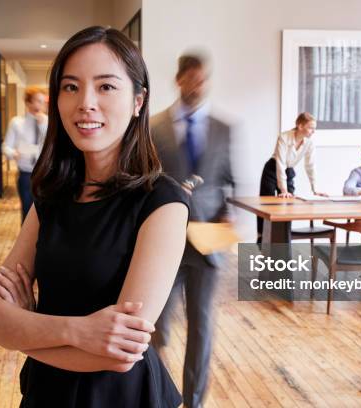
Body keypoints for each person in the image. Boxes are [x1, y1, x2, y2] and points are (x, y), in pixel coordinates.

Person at [0, 26, 190, 408]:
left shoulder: (162, 202)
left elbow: (119, 355)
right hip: (46, 393)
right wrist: (79, 331)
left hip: (121, 397)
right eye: (71, 87)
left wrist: (23, 330)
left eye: (106, 87)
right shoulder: (51, 195)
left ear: (138, 100)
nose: (85, 103)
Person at [150, 52, 234, 408]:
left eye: (203, 80)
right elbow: (145, 181)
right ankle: (157, 394)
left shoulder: (223, 128)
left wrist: (228, 218)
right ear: (179, 79)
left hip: (208, 244)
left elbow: (228, 181)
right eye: (192, 79)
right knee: (156, 327)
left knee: (201, 327)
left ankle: (194, 402)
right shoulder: (154, 127)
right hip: (164, 243)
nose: (198, 86)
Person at [257, 112, 325, 243]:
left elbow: (310, 165)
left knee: (288, 206)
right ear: (300, 126)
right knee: (266, 207)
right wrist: (283, 189)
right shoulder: (284, 137)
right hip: (272, 169)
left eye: (314, 128)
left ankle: (284, 240)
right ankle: (262, 239)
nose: (313, 132)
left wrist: (315, 188)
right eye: (311, 128)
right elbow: (280, 163)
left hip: (289, 171)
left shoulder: (309, 143)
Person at [3, 87, 48, 222]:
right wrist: (13, 153)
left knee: (46, 213)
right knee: (28, 212)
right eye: (37, 101)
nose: (40, 105)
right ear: (28, 103)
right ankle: (27, 243)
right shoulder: (17, 123)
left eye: (42, 102)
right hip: (26, 175)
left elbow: (52, 146)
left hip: (46, 174)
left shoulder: (49, 122)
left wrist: (42, 126)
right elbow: (6, 146)